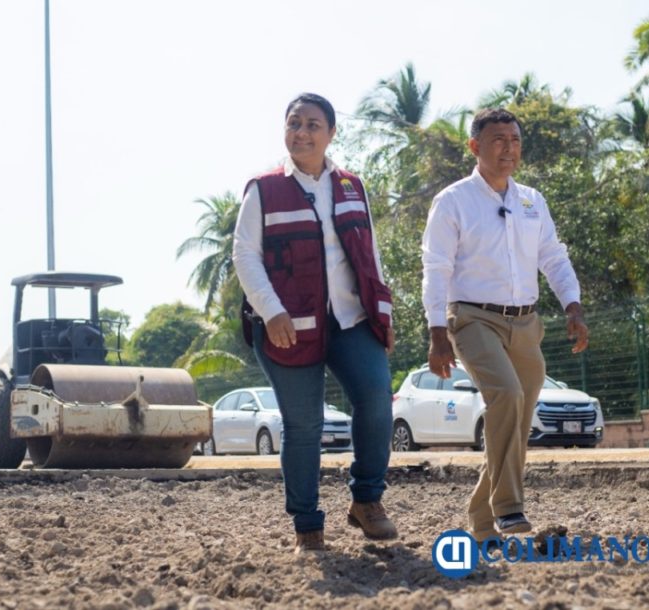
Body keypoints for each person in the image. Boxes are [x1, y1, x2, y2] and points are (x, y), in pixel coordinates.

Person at [233, 93, 397, 554]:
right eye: (294, 123)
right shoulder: (263, 189)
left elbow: (371, 253)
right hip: (289, 323)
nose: (301, 133)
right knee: (304, 424)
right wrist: (272, 311)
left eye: (312, 125)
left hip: (352, 319)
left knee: (377, 399)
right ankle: (307, 523)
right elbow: (244, 254)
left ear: (331, 133)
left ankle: (367, 500)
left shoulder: (352, 186)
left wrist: (382, 310)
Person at [421, 107, 589, 542]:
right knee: (507, 396)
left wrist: (573, 304)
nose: (508, 148)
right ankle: (510, 508)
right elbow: (436, 267)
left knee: (514, 423)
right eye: (498, 140)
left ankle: (480, 520)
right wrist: (437, 331)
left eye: (514, 140)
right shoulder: (453, 200)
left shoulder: (531, 200)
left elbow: (553, 255)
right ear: (475, 147)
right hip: (472, 319)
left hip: (526, 324)